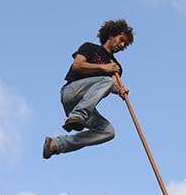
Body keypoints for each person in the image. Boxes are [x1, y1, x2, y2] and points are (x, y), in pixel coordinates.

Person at [43, 19, 133, 159]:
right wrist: (104, 68)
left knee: (108, 131)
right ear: (111, 35)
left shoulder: (116, 67)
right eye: (121, 40)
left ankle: (55, 144)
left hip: (84, 106)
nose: (122, 45)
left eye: (125, 45)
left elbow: (113, 85)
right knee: (107, 80)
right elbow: (77, 66)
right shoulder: (90, 47)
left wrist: (120, 91)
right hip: (72, 92)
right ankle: (78, 115)